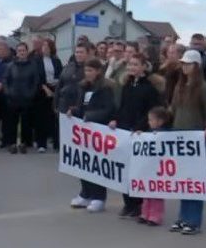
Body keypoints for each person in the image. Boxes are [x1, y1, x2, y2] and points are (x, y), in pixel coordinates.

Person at [169, 50, 206, 235]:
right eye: (183, 64)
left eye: (188, 64)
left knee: (194, 180)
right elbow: (172, 110)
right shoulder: (179, 87)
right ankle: (182, 217)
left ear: (197, 66)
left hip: (195, 139)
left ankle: (194, 220)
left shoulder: (204, 88)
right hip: (178, 137)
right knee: (183, 180)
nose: (185, 67)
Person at [108, 52, 161, 218]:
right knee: (125, 169)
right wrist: (115, 119)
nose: (131, 68)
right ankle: (128, 203)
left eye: (136, 64)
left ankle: (140, 204)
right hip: (124, 131)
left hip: (140, 133)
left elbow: (151, 112)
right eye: (130, 65)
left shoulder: (150, 88)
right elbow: (122, 106)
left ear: (144, 67)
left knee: (139, 170)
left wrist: (140, 127)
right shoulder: (127, 85)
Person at [67, 58, 117, 213]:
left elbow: (108, 109)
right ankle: (85, 193)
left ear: (98, 71)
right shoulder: (83, 87)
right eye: (86, 70)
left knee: (96, 165)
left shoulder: (105, 88)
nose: (87, 73)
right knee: (84, 163)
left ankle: (99, 197)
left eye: (90, 70)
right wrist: (74, 111)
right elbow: (82, 107)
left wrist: (91, 116)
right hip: (84, 131)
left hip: (98, 130)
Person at [3, 42, 41, 154]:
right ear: (17, 52)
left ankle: (24, 144)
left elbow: (36, 82)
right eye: (19, 50)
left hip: (27, 99)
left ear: (27, 52)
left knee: (26, 123)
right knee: (12, 123)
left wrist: (31, 93)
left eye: (23, 50)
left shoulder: (33, 65)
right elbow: (5, 80)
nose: (21, 52)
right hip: (12, 98)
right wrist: (8, 92)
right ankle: (12, 144)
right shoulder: (10, 66)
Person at [138, 106, 173, 226]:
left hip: (159, 168)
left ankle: (156, 215)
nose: (149, 122)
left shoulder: (165, 134)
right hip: (149, 167)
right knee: (147, 191)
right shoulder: (149, 133)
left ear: (160, 121)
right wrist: (140, 136)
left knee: (156, 193)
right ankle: (145, 213)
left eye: (151, 120)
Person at [36, 38, 63, 152]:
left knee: (55, 117)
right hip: (42, 90)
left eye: (47, 46)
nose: (45, 48)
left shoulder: (56, 61)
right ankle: (41, 144)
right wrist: (45, 88)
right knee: (41, 117)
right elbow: (36, 76)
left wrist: (56, 85)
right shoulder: (37, 60)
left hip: (55, 89)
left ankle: (57, 143)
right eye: (43, 46)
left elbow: (61, 75)